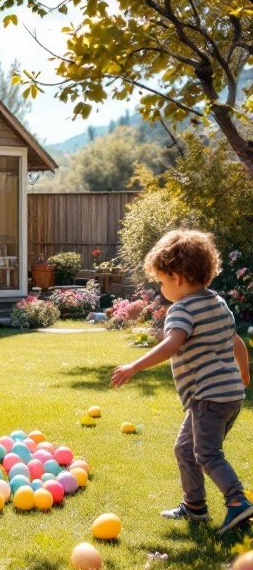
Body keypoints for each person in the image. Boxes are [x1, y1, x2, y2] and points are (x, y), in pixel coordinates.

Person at [111, 229, 251, 535]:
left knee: (207, 454)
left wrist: (135, 366)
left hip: (207, 396)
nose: (161, 289)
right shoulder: (217, 303)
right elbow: (236, 341)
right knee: (185, 449)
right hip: (230, 394)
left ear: (176, 277)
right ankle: (195, 507)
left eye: (161, 282)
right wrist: (244, 373)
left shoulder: (183, 309)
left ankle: (238, 501)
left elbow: (172, 343)